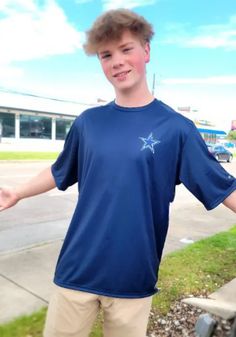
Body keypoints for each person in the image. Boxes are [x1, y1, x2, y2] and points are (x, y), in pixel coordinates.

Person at [0, 8, 236, 337]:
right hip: (76, 270)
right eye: (106, 55)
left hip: (133, 276)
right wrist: (17, 192)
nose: (117, 62)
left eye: (126, 49)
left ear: (146, 51)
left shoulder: (177, 129)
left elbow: (221, 187)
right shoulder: (88, 123)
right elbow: (60, 171)